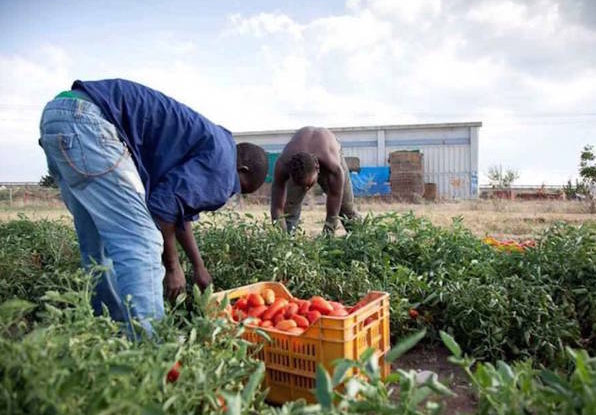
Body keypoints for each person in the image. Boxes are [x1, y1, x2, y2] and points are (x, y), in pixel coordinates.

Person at [39, 79, 268, 334]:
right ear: (241, 170)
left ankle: (109, 335)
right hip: (90, 123)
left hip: (60, 115)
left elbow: (178, 209)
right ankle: (151, 352)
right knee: (143, 243)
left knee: (98, 246)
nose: (228, 194)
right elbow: (163, 208)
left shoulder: (214, 145)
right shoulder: (224, 169)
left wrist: (198, 267)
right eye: (237, 188)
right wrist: (173, 267)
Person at [270, 126, 359, 234]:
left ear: (317, 168)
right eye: (301, 185)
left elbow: (333, 211)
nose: (306, 189)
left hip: (328, 149)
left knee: (347, 210)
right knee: (288, 211)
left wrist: (327, 237)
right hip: (300, 156)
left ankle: (362, 241)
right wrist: (280, 238)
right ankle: (287, 243)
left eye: (309, 184)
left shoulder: (334, 167)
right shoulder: (283, 165)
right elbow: (277, 208)